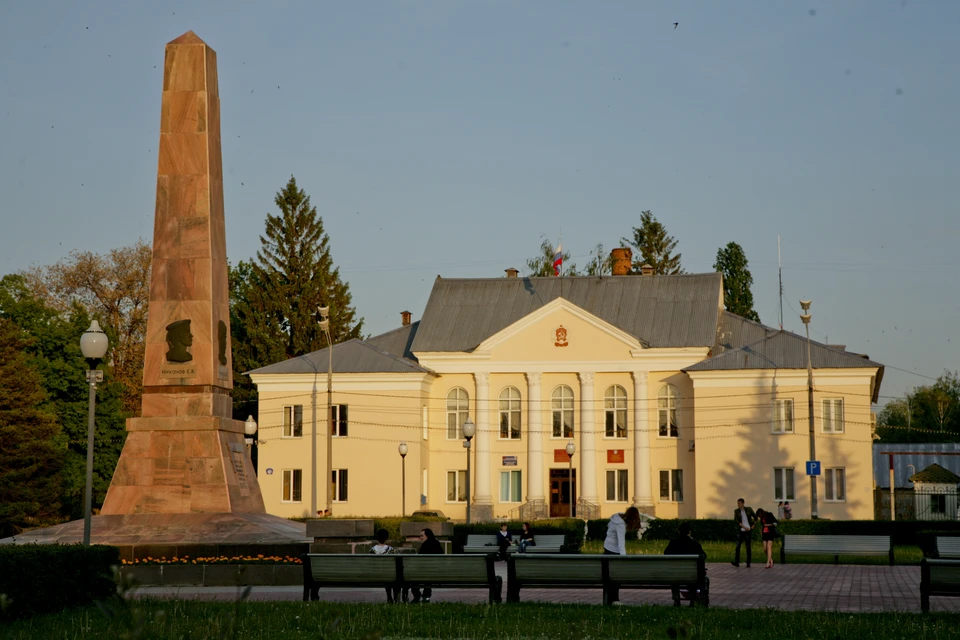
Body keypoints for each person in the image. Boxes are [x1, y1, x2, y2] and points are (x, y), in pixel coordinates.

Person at [603, 506, 642, 605]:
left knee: (609, 577)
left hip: (607, 548)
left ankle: (609, 600)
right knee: (616, 577)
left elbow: (608, 528)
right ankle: (614, 600)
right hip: (614, 552)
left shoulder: (616, 518)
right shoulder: (620, 525)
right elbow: (621, 544)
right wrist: (624, 558)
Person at [663, 522, 708, 607]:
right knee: (695, 574)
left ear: (678, 531)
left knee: (675, 579)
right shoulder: (695, 544)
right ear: (689, 532)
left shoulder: (673, 543)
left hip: (676, 575)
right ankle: (692, 600)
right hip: (692, 575)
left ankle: (676, 600)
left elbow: (666, 554)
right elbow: (703, 556)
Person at [371, 528, 406, 603]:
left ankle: (389, 597)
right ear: (386, 538)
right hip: (390, 573)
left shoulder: (372, 549)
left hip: (376, 573)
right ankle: (396, 597)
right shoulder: (391, 549)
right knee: (394, 575)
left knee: (388, 576)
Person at [411, 528, 443, 603]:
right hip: (437, 571)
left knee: (413, 577)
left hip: (426, 571)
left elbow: (419, 561)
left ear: (427, 536)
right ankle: (426, 596)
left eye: (422, 535)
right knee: (427, 576)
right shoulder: (437, 543)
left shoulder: (425, 545)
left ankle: (417, 596)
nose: (420, 537)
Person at [732, 498, 755, 568]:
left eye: (739, 503)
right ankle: (737, 562)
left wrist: (753, 525)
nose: (738, 505)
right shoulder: (736, 511)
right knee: (738, 546)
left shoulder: (749, 509)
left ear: (743, 503)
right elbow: (736, 520)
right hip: (741, 530)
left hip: (748, 530)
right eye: (737, 503)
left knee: (748, 547)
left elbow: (755, 517)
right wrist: (743, 526)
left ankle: (748, 563)